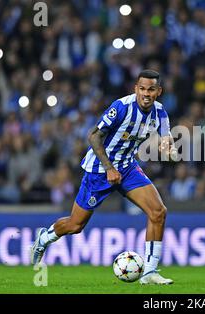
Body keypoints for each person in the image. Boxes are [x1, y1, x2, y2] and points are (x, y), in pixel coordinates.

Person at [30, 70, 176, 285]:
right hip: (100, 169)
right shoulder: (122, 107)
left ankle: (150, 272)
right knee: (75, 225)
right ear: (136, 88)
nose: (146, 93)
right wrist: (109, 168)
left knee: (158, 212)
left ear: (158, 91)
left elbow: (166, 138)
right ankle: (44, 238)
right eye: (142, 88)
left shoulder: (160, 112)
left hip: (127, 168)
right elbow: (94, 136)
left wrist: (168, 147)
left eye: (151, 89)